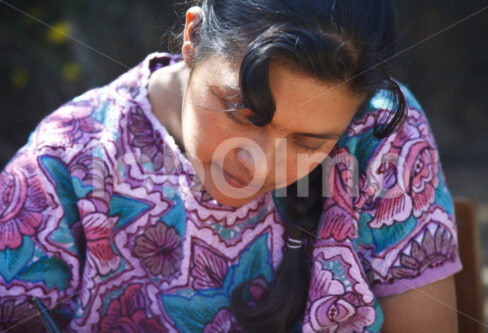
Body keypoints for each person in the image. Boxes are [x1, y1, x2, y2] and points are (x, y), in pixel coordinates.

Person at [0, 0, 462, 332]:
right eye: (243, 112)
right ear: (192, 36)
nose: (259, 163)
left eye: (307, 142)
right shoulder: (66, 162)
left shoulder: (379, 130)